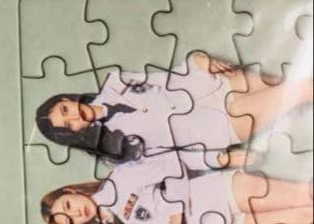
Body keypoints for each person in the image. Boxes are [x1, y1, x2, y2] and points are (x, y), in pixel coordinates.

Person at [35, 50, 313, 167]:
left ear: (67, 99)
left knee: (291, 87)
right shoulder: (115, 152)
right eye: (68, 124)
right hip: (216, 126)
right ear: (74, 134)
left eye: (65, 109)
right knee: (298, 91)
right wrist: (222, 160)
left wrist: (199, 61)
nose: (74, 115)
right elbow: (172, 162)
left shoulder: (115, 81)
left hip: (213, 86)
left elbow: (167, 77)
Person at [40, 155, 313, 224]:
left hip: (218, 194)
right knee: (304, 218)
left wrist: (175, 210)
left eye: (68, 206)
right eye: (70, 221)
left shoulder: (119, 179)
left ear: (72, 192)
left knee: (303, 195)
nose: (76, 214)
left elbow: (173, 165)